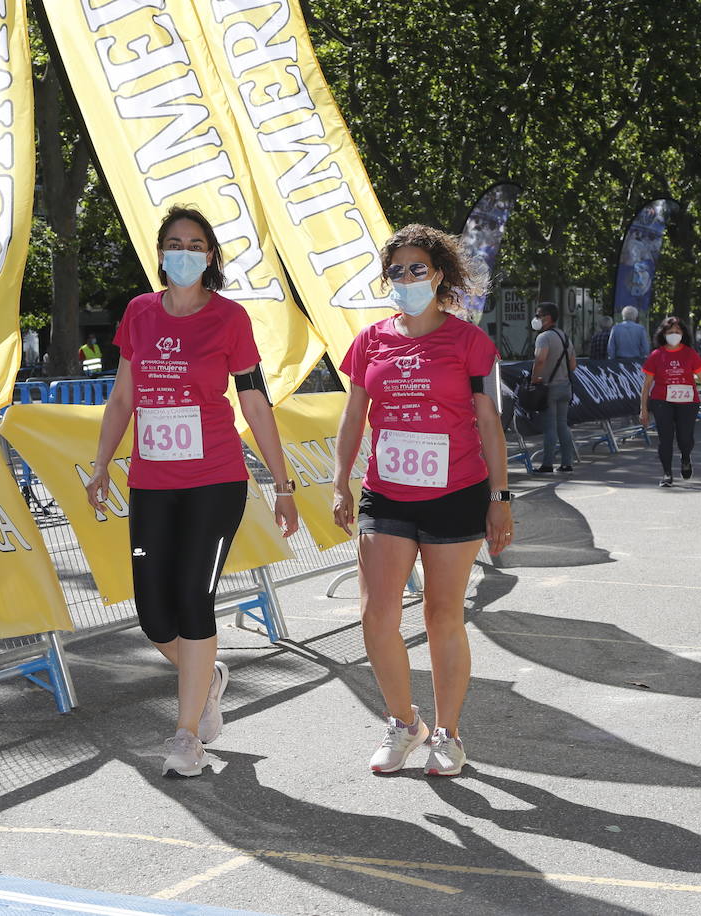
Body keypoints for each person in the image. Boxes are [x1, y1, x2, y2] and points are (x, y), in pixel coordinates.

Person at [85, 206, 299, 778]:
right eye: (174, 242)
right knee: (154, 615)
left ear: (210, 256)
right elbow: (123, 397)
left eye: (196, 243)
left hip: (216, 480)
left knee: (193, 599)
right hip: (152, 482)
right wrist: (101, 465)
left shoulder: (230, 319)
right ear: (159, 253)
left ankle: (185, 737)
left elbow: (254, 402)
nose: (184, 251)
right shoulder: (138, 313)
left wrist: (282, 484)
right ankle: (207, 678)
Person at [331, 224, 512, 778]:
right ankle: (405, 723)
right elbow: (353, 415)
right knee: (376, 615)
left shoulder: (468, 342)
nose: (406, 280)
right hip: (387, 495)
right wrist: (340, 481)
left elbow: (488, 419)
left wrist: (500, 496)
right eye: (396, 271)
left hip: (457, 492)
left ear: (439, 275)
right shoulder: (369, 341)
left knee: (441, 617)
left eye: (417, 269)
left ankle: (449, 735)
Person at [639, 316, 701, 487]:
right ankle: (667, 473)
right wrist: (643, 408)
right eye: (670, 332)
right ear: (663, 334)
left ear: (683, 334)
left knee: (685, 438)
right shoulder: (656, 355)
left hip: (687, 401)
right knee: (665, 438)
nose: (674, 334)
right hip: (661, 401)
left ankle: (686, 457)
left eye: (677, 332)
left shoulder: (690, 353)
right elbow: (647, 384)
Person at [530, 303, 576, 473]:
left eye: (538, 315)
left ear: (547, 317)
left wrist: (535, 378)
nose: (536, 318)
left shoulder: (544, 337)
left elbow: (540, 359)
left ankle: (547, 463)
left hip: (549, 387)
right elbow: (573, 365)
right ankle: (566, 463)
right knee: (562, 425)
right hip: (565, 386)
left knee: (550, 427)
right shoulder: (564, 336)